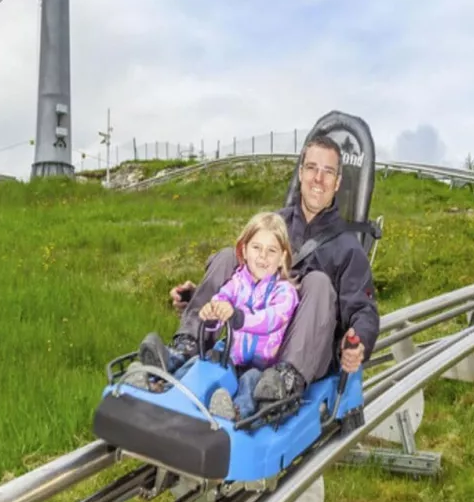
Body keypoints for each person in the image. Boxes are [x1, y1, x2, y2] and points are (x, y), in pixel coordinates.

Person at [161, 132, 379, 411]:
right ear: (301, 173)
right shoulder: (275, 225)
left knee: (318, 282)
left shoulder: (348, 248)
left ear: (337, 183)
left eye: (327, 172)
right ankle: (187, 345)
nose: (318, 179)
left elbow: (364, 311)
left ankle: (285, 379)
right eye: (312, 168)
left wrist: (359, 342)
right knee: (231, 255)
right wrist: (196, 296)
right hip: (254, 337)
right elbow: (244, 279)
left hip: (305, 351)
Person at [190, 212, 300, 420]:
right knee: (206, 360)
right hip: (230, 358)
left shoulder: (285, 292)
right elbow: (223, 298)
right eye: (256, 248)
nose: (262, 256)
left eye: (271, 251)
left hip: (261, 365)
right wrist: (213, 312)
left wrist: (239, 318)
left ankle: (236, 413)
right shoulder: (237, 282)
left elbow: (271, 319)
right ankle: (172, 384)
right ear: (245, 250)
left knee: (250, 381)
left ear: (282, 258)